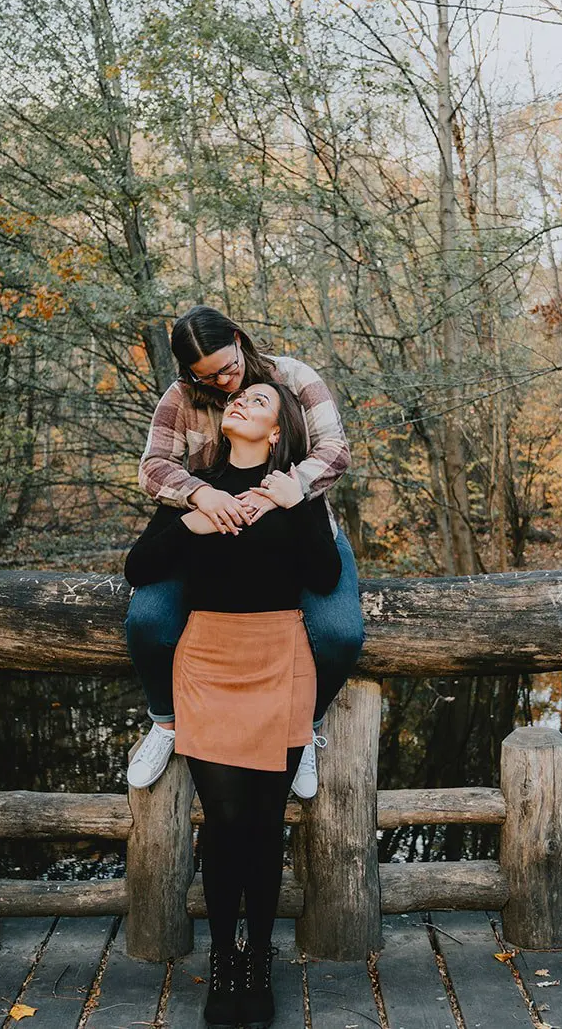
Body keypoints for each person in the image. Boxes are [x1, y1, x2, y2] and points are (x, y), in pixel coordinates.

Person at [124, 380, 340, 1028]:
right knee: (222, 821)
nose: (244, 403)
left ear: (276, 433)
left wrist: (295, 501)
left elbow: (325, 577)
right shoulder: (198, 483)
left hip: (279, 656)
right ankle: (224, 958)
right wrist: (191, 516)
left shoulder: (292, 488)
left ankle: (259, 960)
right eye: (239, 399)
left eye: (261, 402)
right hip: (209, 660)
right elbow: (139, 567)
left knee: (264, 822)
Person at [126, 304, 364, 799]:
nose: (223, 384)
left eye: (227, 368)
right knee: (148, 621)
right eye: (206, 377)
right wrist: (200, 495)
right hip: (207, 537)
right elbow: (152, 467)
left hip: (297, 529)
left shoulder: (293, 378)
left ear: (238, 339)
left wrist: (278, 493)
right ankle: (166, 722)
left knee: (340, 634)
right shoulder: (182, 398)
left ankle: (304, 729)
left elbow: (335, 451)